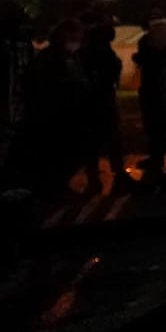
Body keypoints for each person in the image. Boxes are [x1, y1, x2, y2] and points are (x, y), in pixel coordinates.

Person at [19, 18, 88, 198]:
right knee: (57, 153)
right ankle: (53, 187)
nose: (77, 41)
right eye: (73, 37)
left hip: (68, 113)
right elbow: (43, 86)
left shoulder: (70, 57)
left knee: (70, 152)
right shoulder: (49, 59)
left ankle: (58, 185)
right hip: (53, 115)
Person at [78, 15, 135, 193]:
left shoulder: (91, 50)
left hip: (96, 98)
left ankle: (96, 178)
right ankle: (109, 176)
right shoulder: (98, 51)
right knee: (107, 138)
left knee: (97, 139)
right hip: (99, 97)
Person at [134, 11, 166, 187]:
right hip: (154, 92)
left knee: (159, 128)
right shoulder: (165, 37)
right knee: (161, 128)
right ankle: (161, 159)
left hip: (155, 92)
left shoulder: (155, 45)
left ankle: (161, 160)